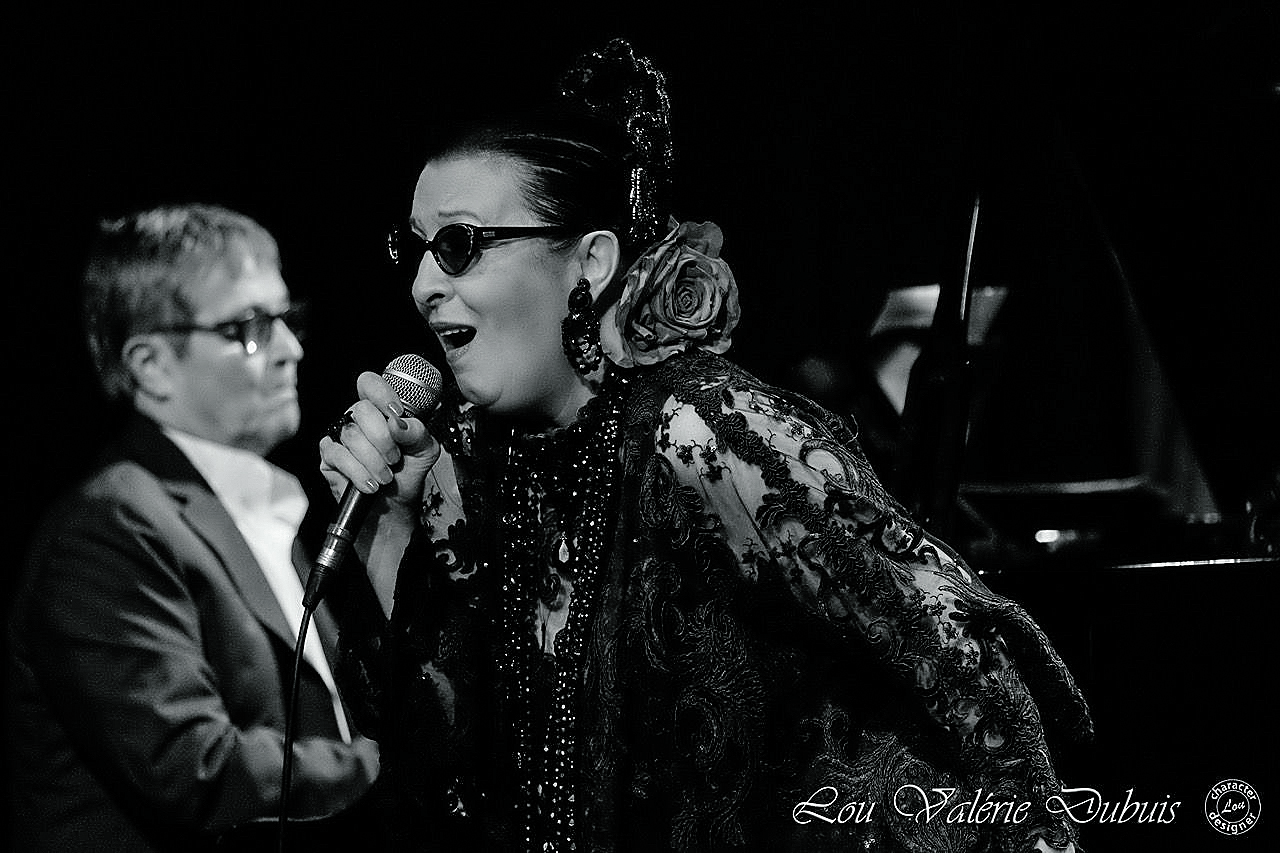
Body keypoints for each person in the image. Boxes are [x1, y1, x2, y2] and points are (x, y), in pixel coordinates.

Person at [318, 39, 1092, 852]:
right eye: (415, 250)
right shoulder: (473, 464)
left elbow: (964, 654)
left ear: (590, 262)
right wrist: (389, 531)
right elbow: (451, 779)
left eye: (459, 245)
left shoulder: (698, 428)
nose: (422, 286)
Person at [5, 204, 380, 852]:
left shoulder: (268, 512)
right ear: (152, 365)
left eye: (286, 319)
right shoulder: (107, 525)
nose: (291, 349)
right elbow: (197, 766)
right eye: (249, 327)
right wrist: (393, 768)